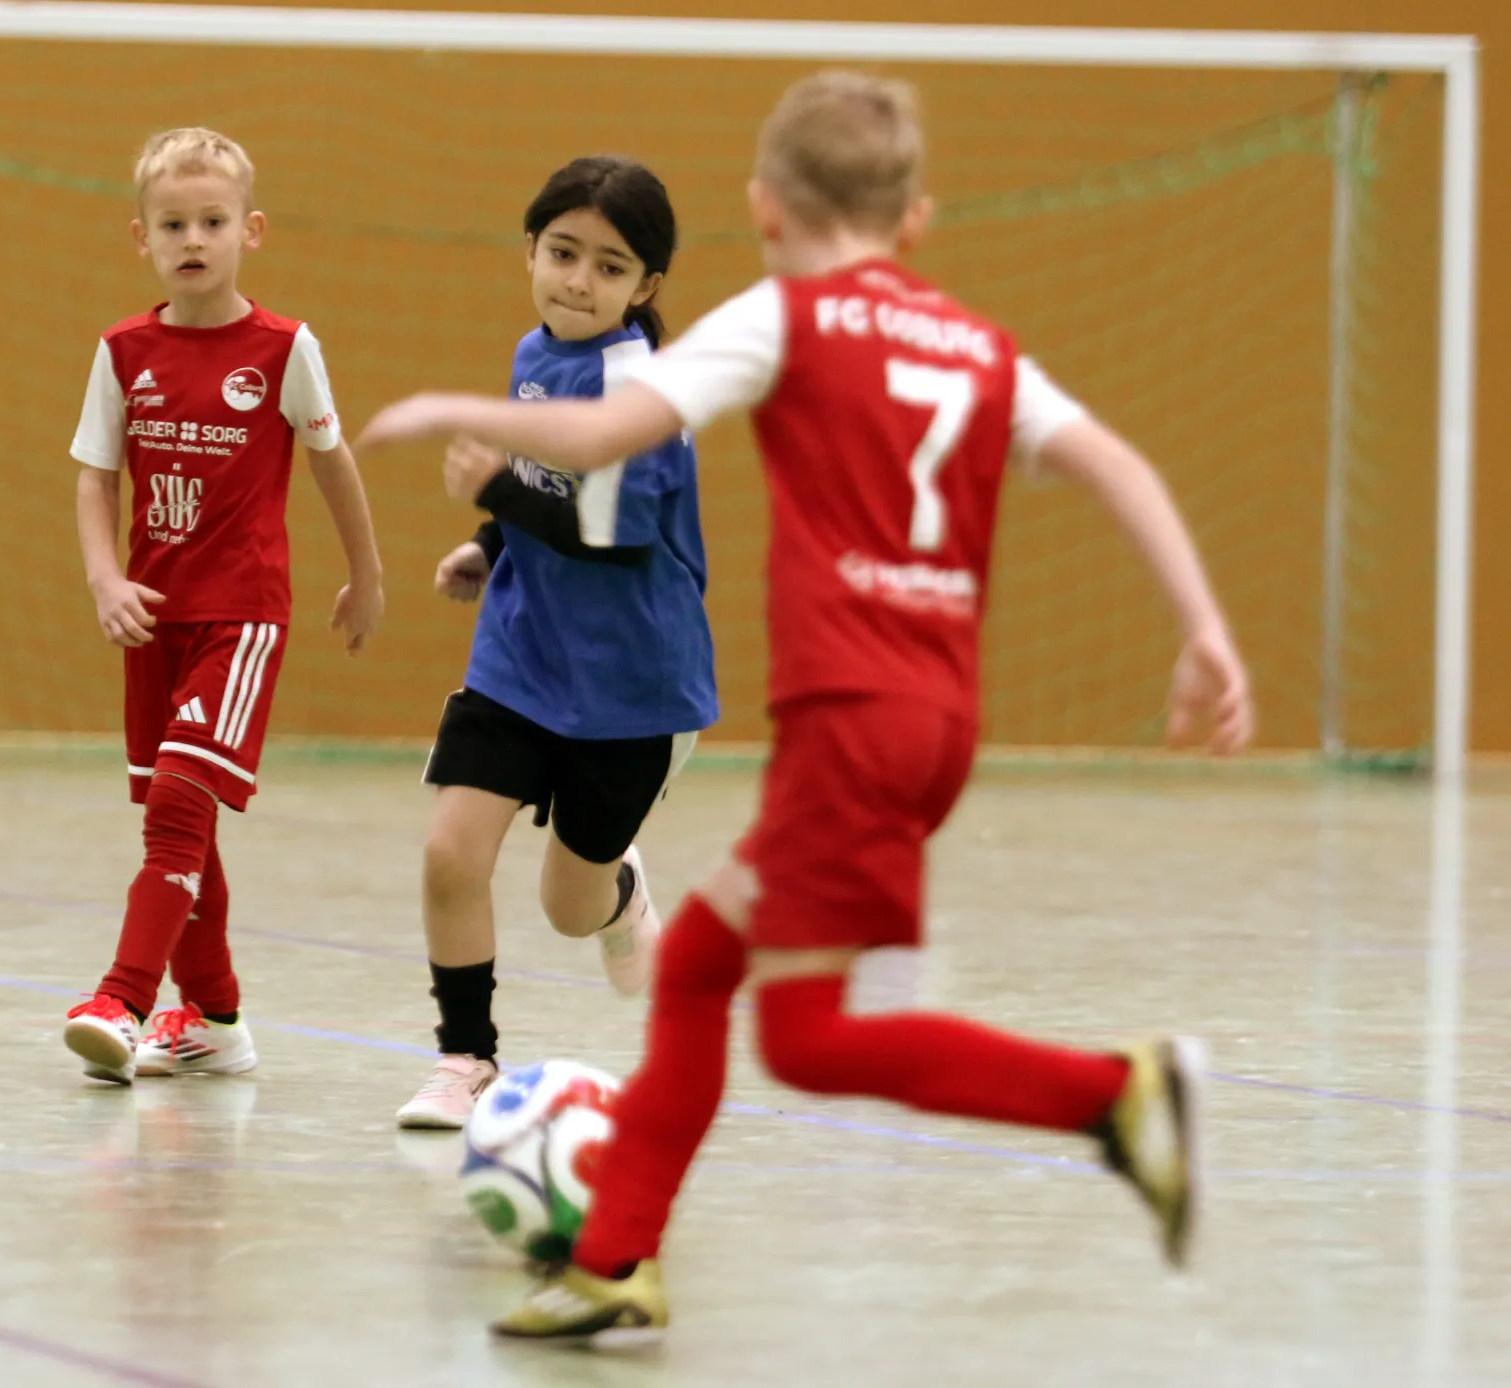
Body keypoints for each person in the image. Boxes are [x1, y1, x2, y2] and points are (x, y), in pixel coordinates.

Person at [358, 71, 1254, 1340]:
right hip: (932, 722)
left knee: (807, 1038)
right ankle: (615, 1257)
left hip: (851, 718)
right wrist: (1203, 629)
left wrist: (458, 420)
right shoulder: (975, 344)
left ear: (765, 209)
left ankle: (1115, 1093)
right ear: (915, 220)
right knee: (696, 969)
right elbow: (1115, 463)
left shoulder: (786, 316)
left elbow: (607, 436)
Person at [396, 157, 718, 1130]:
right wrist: (490, 542)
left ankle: (618, 894)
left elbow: (608, 530)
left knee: (568, 909)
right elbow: (546, 481)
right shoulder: (533, 354)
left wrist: (494, 489)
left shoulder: (638, 391)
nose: (578, 281)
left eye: (608, 267)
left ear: (644, 286)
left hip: (631, 686)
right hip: (519, 654)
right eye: (562, 253)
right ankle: (465, 1058)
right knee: (450, 852)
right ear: (530, 251)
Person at [64, 127, 384, 1084]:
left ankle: (122, 999)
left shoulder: (284, 349)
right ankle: (216, 1020)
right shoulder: (123, 351)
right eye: (172, 224)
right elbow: (95, 478)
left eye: (212, 221)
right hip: (153, 619)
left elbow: (332, 461)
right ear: (142, 238)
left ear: (251, 230)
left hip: (240, 618)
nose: (193, 239)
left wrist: (366, 575)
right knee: (184, 823)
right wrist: (105, 579)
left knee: (176, 802)